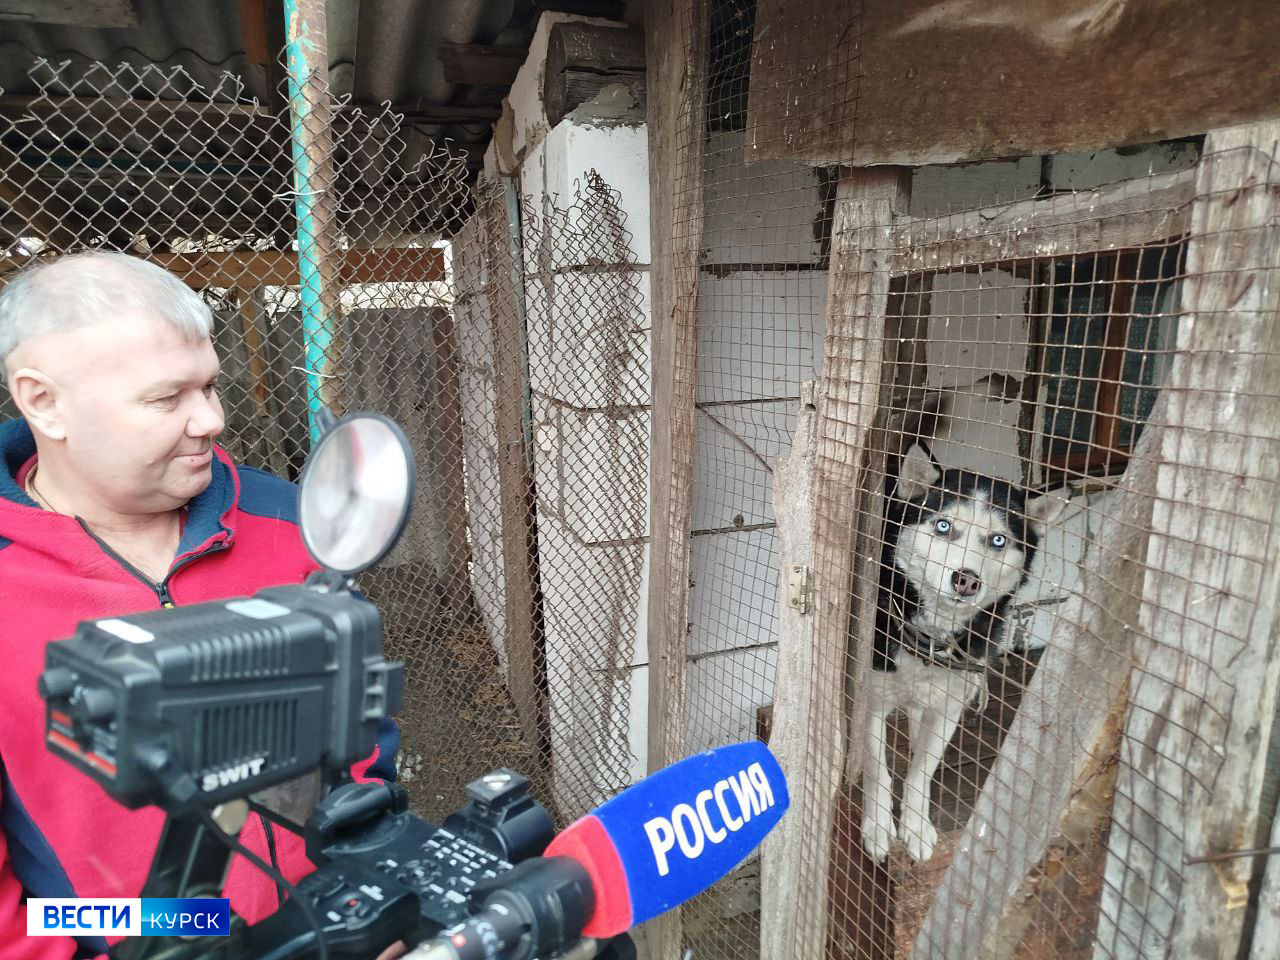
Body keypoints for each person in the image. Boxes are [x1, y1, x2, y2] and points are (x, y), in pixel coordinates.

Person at [0, 251, 399, 958]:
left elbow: (362, 747)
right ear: (43, 402)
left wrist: (362, 897)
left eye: (210, 387)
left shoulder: (290, 521)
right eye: (167, 398)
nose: (211, 419)